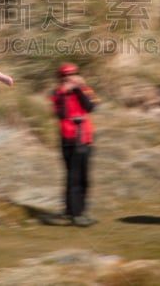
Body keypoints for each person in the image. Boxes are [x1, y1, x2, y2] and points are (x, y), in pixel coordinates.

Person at [50, 63, 100, 227]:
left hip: (85, 138)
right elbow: (61, 114)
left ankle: (79, 211)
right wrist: (65, 93)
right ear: (61, 78)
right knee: (73, 178)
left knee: (84, 178)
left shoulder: (85, 89)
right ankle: (74, 214)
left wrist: (78, 88)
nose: (70, 77)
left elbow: (91, 106)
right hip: (69, 140)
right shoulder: (57, 94)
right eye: (66, 76)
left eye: (73, 74)